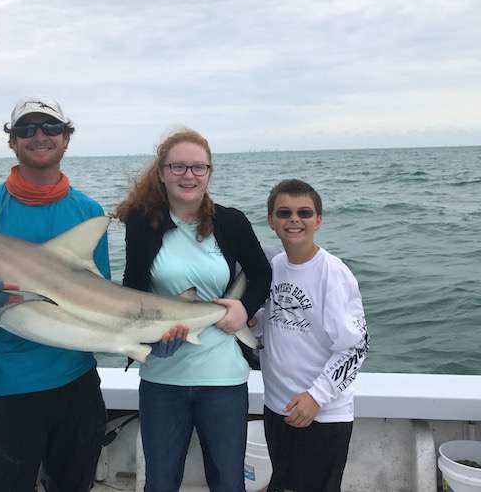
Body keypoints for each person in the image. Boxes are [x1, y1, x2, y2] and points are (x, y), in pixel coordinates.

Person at [0, 97, 110, 492]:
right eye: (26, 129)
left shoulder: (88, 212)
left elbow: (103, 298)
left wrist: (145, 336)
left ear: (66, 137)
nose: (39, 136)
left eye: (50, 127)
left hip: (78, 383)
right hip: (10, 387)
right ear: (12, 141)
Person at [115, 128, 272, 492]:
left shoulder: (231, 222)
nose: (189, 175)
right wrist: (149, 340)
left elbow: (262, 273)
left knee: (228, 482)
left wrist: (243, 309)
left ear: (210, 171)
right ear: (162, 172)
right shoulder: (143, 223)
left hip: (223, 379)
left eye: (198, 167)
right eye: (179, 167)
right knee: (161, 482)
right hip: (162, 379)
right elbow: (133, 292)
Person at [254, 178, 369, 492]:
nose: (294, 220)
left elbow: (356, 349)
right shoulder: (274, 266)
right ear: (271, 221)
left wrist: (316, 398)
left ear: (318, 220)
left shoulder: (334, 273)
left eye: (304, 213)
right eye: (284, 213)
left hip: (322, 413)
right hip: (278, 408)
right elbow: (269, 321)